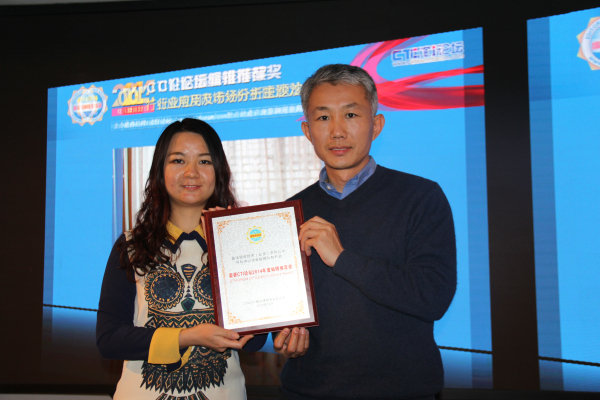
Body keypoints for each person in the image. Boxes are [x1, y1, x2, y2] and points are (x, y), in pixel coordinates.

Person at [276, 64, 457, 400]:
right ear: (307, 130)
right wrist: (286, 335)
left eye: (351, 115)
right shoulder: (289, 212)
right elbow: (281, 307)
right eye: (323, 117)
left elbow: (433, 297)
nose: (337, 132)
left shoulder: (421, 197)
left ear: (376, 125)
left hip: (402, 392)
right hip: (308, 390)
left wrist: (342, 258)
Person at [97, 118, 265, 400]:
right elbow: (109, 339)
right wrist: (186, 337)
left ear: (219, 171)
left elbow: (255, 341)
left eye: (204, 161)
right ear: (159, 171)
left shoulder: (237, 242)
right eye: (178, 160)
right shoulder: (131, 245)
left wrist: (232, 246)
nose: (191, 172)